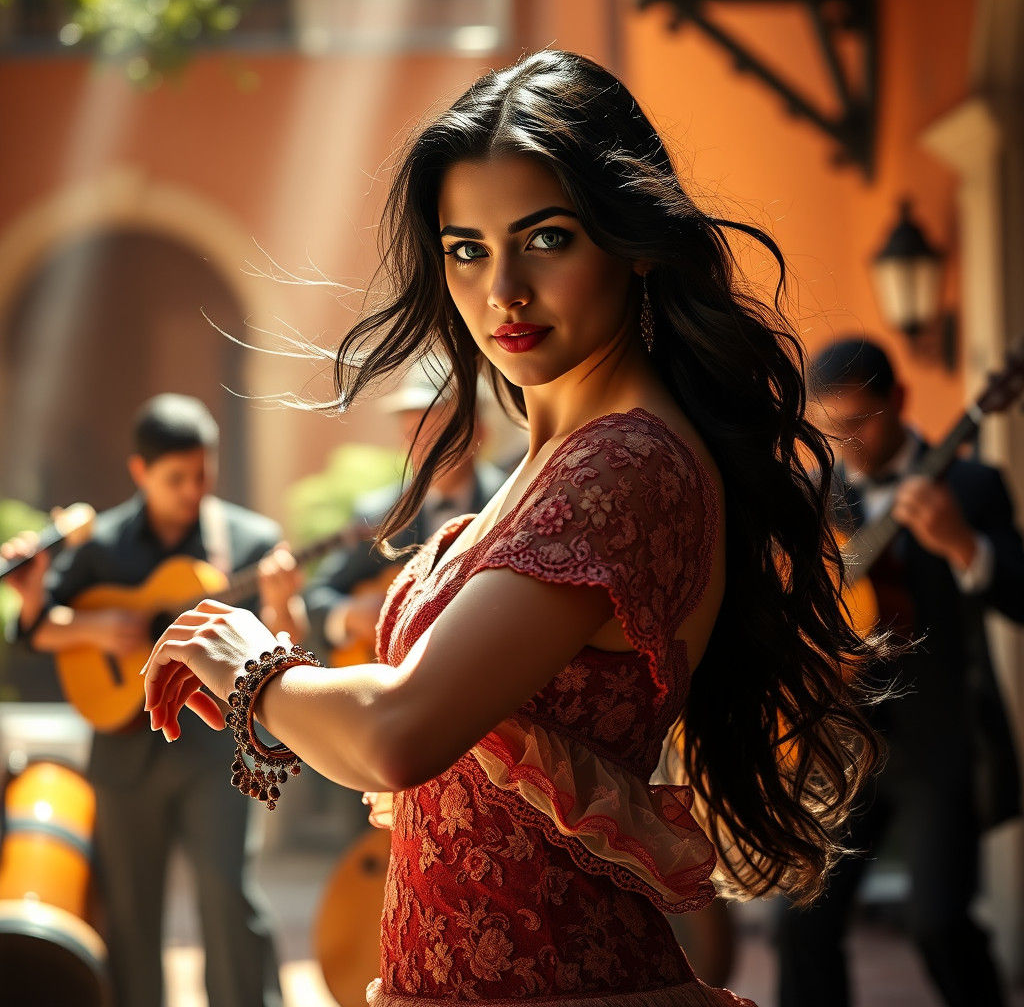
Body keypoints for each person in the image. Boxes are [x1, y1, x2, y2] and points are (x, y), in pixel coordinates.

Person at [142, 50, 883, 1006]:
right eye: (468, 250)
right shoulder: (546, 465)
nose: (504, 293)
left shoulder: (626, 468)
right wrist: (287, 697)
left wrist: (251, 662)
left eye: (547, 239)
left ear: (636, 242)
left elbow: (403, 732)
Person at [2, 393, 284, 1007]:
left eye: (202, 473)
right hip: (124, 752)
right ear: (140, 472)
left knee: (227, 900)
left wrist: (284, 601)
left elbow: (281, 646)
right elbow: (34, 628)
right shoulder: (98, 543)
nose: (192, 490)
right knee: (129, 916)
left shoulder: (249, 538)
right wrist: (97, 629)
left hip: (217, 749)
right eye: (175, 478)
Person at [776, 338, 1024, 1007]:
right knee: (801, 922)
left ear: (900, 401)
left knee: (938, 923)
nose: (847, 444)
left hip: (940, 745)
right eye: (830, 430)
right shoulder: (811, 500)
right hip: (843, 743)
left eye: (860, 422)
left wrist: (964, 547)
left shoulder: (972, 487)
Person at [303, 357, 507, 664]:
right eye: (412, 434)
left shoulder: (513, 505)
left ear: (478, 431)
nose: (421, 447)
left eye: (436, 431)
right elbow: (315, 595)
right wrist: (347, 615)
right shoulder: (379, 514)